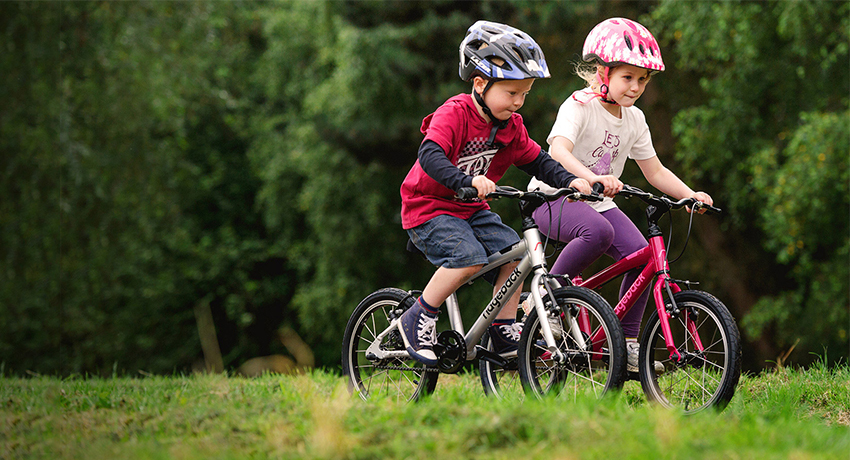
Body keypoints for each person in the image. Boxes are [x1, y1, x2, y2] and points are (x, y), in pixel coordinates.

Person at [398, 21, 591, 366]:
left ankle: (502, 329)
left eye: (524, 95)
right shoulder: (455, 113)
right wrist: (464, 180)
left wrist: (569, 181)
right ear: (479, 83)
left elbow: (537, 160)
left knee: (515, 255)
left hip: (471, 210)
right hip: (429, 208)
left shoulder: (511, 126)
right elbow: (429, 155)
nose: (518, 103)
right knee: (468, 257)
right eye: (511, 93)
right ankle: (418, 316)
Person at [526, 17, 713, 373]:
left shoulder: (635, 119)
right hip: (551, 198)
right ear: (602, 72)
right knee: (599, 232)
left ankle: (626, 342)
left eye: (642, 80)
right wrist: (591, 179)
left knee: (644, 256)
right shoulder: (578, 106)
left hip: (598, 201)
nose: (636, 87)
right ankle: (547, 302)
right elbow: (559, 153)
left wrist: (690, 195)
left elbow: (654, 171)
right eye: (628, 77)